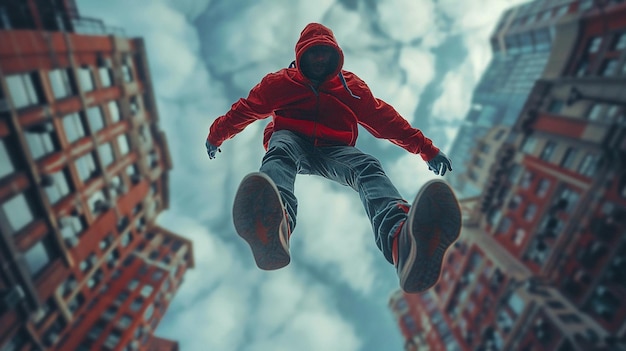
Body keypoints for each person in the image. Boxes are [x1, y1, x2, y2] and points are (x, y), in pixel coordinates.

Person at [206, 23, 461, 293]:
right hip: (292, 137)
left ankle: (402, 240)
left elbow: (387, 121)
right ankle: (274, 222)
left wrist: (427, 149)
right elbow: (245, 110)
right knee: (280, 149)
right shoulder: (279, 83)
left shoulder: (351, 87)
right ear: (300, 54)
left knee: (367, 166)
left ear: (334, 56)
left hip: (333, 149)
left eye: (324, 54)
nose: (318, 60)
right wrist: (216, 135)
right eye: (313, 54)